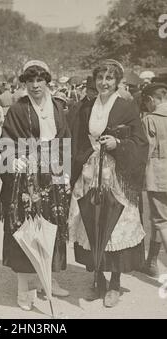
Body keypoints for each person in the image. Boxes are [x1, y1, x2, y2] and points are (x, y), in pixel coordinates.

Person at [69, 59, 148, 308]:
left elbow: (141, 141)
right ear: (94, 80)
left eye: (109, 79)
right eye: (100, 78)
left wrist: (119, 144)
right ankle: (98, 278)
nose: (104, 83)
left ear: (117, 82)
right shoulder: (87, 106)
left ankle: (114, 282)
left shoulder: (127, 107)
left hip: (117, 174)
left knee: (115, 224)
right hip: (91, 172)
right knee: (91, 220)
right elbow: (78, 138)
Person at [0, 60, 71, 311]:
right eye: (30, 80)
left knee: (52, 225)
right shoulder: (18, 109)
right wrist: (14, 159)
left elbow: (64, 140)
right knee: (26, 227)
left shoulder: (59, 107)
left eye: (40, 80)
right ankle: (24, 289)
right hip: (26, 176)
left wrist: (64, 173)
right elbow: (5, 140)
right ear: (25, 83)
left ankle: (47, 280)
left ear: (47, 81)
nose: (35, 85)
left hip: (52, 175)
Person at [142, 83, 167, 277]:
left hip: (158, 175)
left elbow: (146, 150)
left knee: (161, 221)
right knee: (159, 221)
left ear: (152, 100)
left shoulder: (150, 119)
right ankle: (151, 262)